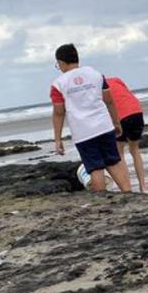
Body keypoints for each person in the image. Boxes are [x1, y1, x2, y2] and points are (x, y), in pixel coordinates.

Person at [50, 44, 132, 194]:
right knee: (113, 162)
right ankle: (127, 192)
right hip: (103, 125)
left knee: (95, 167)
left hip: (83, 132)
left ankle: (101, 197)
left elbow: (59, 112)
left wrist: (58, 139)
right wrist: (116, 122)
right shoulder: (95, 74)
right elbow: (109, 100)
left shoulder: (58, 84)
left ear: (61, 62)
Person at [105, 75, 148, 193]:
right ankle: (143, 186)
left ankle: (127, 188)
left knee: (119, 153)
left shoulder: (97, 87)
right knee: (135, 150)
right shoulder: (115, 79)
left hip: (121, 115)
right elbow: (126, 94)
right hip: (136, 111)